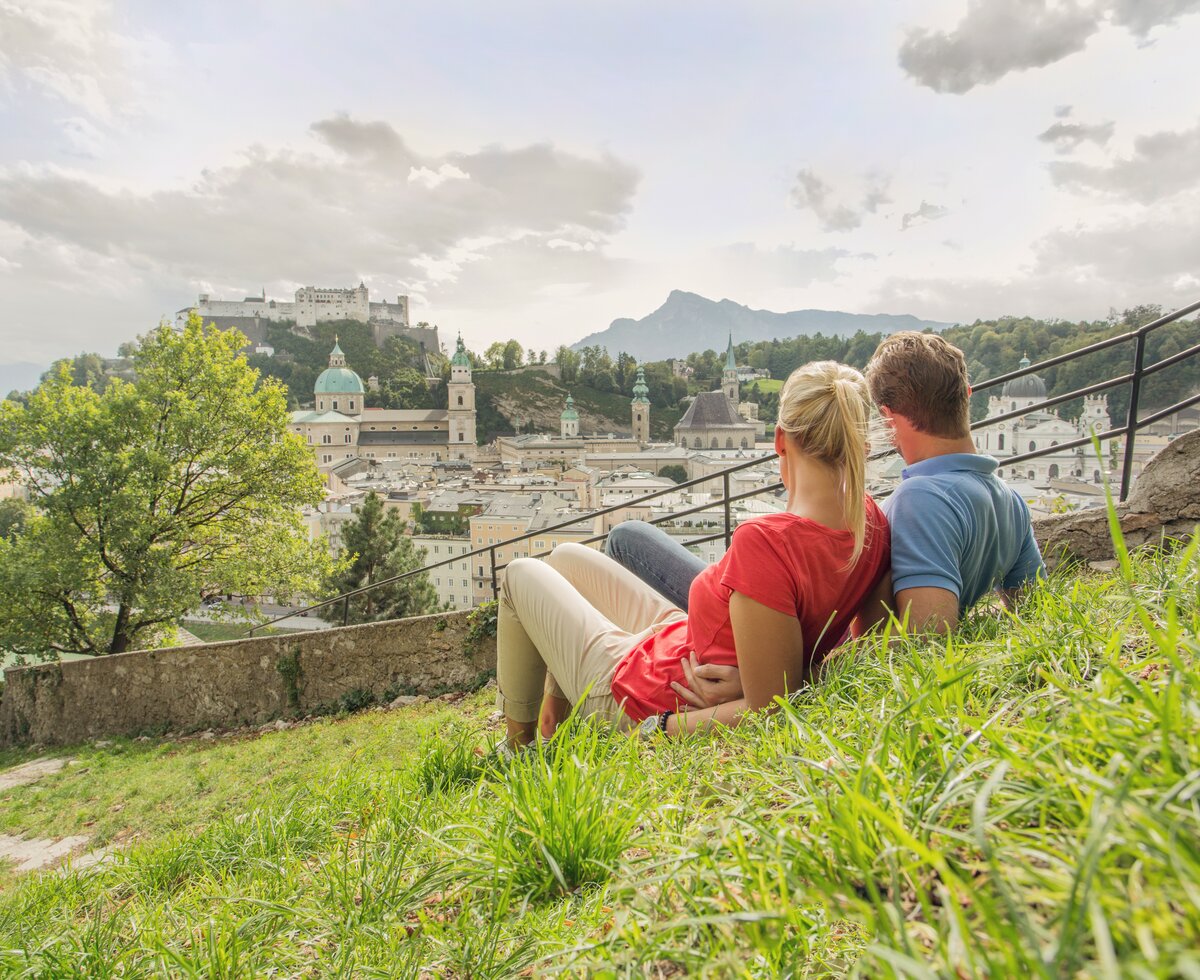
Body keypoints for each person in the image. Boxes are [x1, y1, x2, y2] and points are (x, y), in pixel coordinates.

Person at [495, 361, 892, 746]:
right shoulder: (871, 523)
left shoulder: (767, 542)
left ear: (778, 441)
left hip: (639, 696)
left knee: (518, 574)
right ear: (860, 444)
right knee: (565, 556)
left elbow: (769, 708)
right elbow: (864, 647)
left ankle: (521, 748)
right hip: (675, 641)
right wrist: (801, 671)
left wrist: (660, 727)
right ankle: (552, 723)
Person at [611, 332, 1045, 640]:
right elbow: (1036, 608)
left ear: (888, 420)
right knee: (634, 545)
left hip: (783, 622)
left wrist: (802, 673)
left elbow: (924, 642)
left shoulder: (921, 499)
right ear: (967, 395)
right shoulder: (1009, 499)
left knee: (626, 539)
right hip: (794, 609)